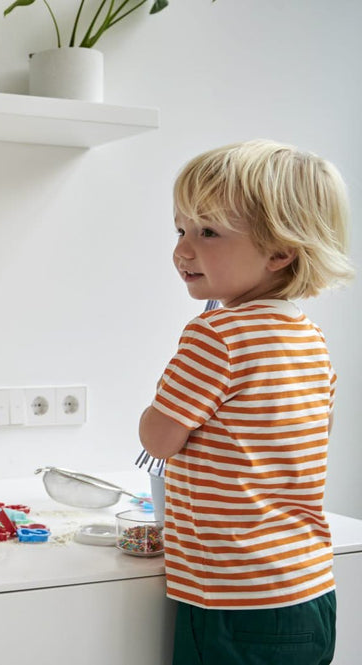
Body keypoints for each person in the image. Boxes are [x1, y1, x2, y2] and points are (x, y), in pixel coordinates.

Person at [138, 139, 354, 665]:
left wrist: (154, 410)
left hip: (232, 598)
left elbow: (160, 438)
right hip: (308, 589)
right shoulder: (309, 338)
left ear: (280, 251)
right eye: (181, 229)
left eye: (208, 232)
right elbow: (309, 439)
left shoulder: (217, 335)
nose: (183, 249)